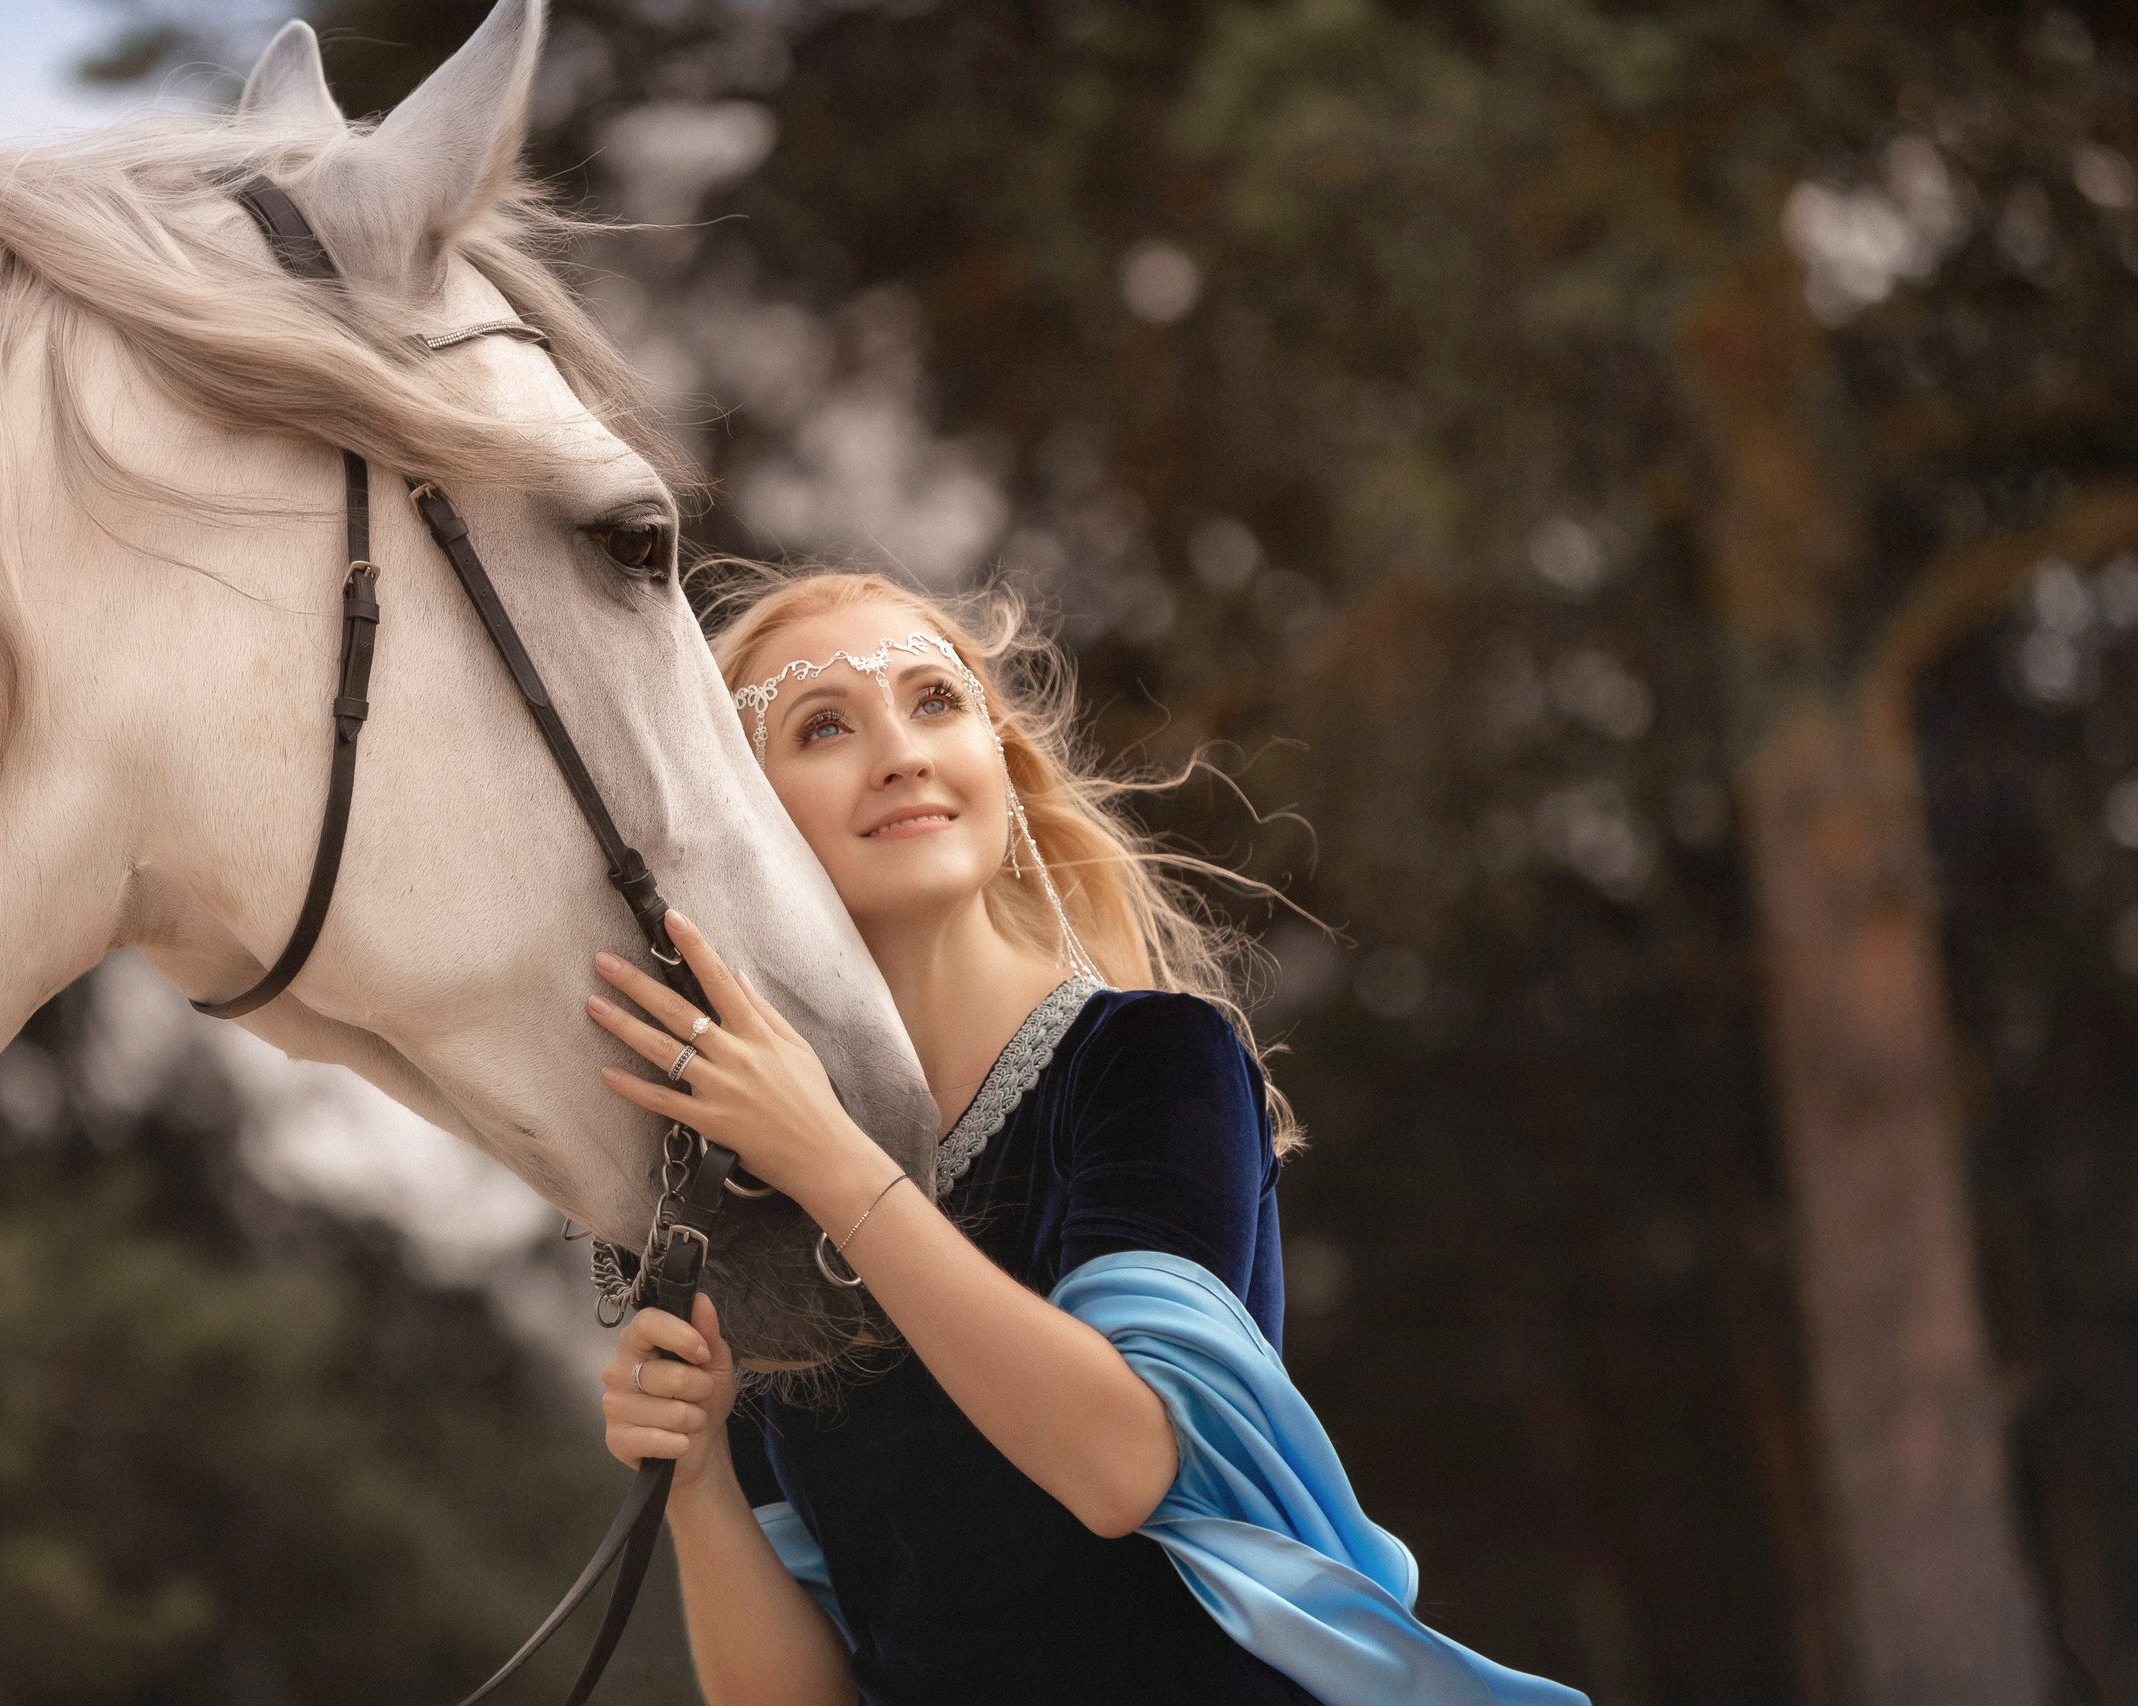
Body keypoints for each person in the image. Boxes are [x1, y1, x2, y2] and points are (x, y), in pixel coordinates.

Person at [584, 568, 1585, 1706]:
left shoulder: (1149, 1059)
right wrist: (701, 1478)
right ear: (744, 820)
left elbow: (1121, 1466)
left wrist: (827, 1157)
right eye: (824, 725)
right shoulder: (749, 1203)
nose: (901, 752)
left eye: (934, 700)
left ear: (998, 762)